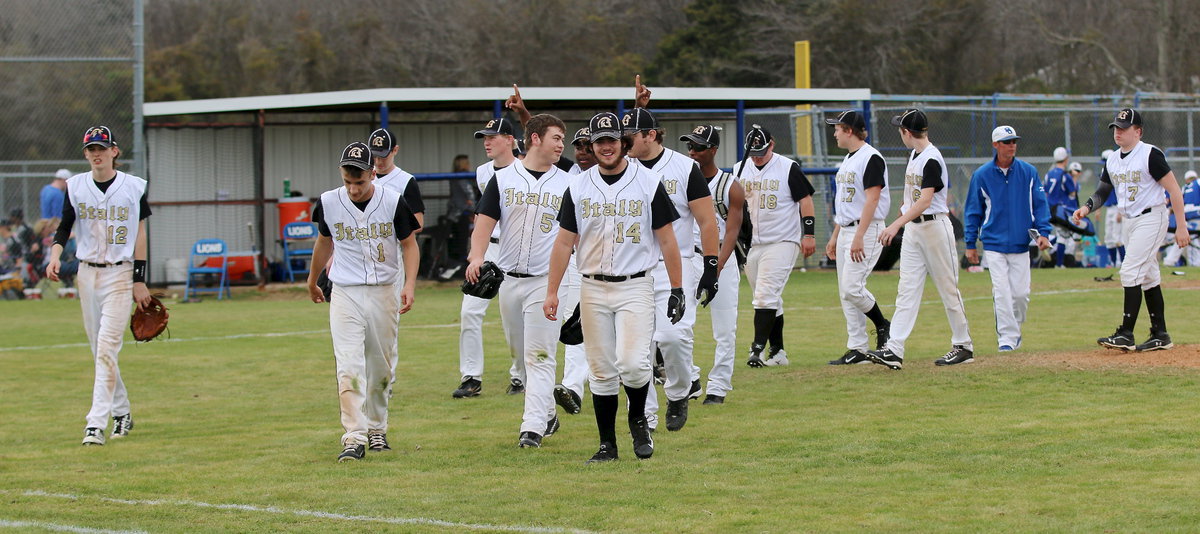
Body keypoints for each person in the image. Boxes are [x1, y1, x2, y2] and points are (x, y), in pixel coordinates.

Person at [542, 111, 683, 463]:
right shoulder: (578, 185)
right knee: (601, 370)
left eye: (612, 140)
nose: (606, 147)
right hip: (592, 286)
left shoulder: (648, 182)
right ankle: (607, 444)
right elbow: (563, 243)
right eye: (599, 141)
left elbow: (667, 241)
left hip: (635, 285)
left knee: (634, 364)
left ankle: (638, 418)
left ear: (624, 142)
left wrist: (678, 288)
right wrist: (552, 291)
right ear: (591, 145)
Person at [307, 141, 420, 461]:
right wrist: (312, 279)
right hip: (345, 291)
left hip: (384, 289)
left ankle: (377, 428)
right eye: (347, 181)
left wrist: (409, 284)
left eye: (360, 181)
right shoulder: (329, 202)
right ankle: (353, 435)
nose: (354, 189)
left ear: (373, 174)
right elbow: (324, 242)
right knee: (349, 364)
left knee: (381, 366)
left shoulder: (393, 201)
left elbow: (409, 245)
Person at [466, 113, 571, 448]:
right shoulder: (504, 178)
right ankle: (547, 410)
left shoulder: (568, 182)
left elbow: (574, 236)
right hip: (509, 279)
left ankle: (532, 428)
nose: (561, 145)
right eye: (556, 137)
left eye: (563, 139)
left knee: (540, 355)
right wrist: (477, 256)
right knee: (520, 356)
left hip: (545, 279)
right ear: (535, 138)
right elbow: (485, 220)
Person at [46, 126, 153, 446]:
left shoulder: (133, 186)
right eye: (91, 149)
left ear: (114, 152)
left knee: (107, 347)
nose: (96, 153)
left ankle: (95, 423)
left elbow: (141, 234)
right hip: (87, 274)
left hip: (120, 274)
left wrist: (140, 279)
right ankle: (122, 412)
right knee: (100, 351)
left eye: (101, 148)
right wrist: (54, 256)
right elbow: (65, 227)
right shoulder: (76, 186)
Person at [621, 95, 720, 432]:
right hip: (633, 268)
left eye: (630, 135)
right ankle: (645, 415)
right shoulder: (622, 167)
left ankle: (678, 393)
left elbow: (707, 221)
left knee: (673, 336)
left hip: (676, 265)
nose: (623, 142)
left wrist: (710, 267)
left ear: (650, 135)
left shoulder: (684, 167)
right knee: (638, 348)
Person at [1073, 109, 1189, 352]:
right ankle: (1160, 334)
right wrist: (1086, 207)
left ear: (1138, 131)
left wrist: (1181, 226)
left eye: (1124, 128)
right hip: (1129, 221)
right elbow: (1103, 191)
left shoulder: (1150, 155)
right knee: (1148, 276)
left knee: (1130, 271)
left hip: (1151, 217)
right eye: (1116, 127)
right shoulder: (1113, 159)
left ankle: (1126, 333)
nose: (1118, 132)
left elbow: (1175, 191)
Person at [866, 110, 973, 369]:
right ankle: (894, 349)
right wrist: (903, 219)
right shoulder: (914, 155)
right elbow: (911, 198)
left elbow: (926, 200)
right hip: (914, 230)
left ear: (906, 132)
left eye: (899, 129)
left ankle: (964, 345)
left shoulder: (931, 159)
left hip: (935, 227)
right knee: (907, 289)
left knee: (948, 289)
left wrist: (895, 224)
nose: (899, 134)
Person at [962, 126, 1052, 352]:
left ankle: (1015, 329)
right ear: (995, 145)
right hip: (993, 244)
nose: (1011, 145)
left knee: (1021, 295)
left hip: (1021, 244)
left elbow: (1040, 205)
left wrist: (1043, 233)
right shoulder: (981, 175)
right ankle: (1007, 338)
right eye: (1006, 142)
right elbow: (973, 211)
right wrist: (971, 244)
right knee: (1001, 292)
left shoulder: (1029, 172)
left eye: (1014, 141)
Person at [452, 117, 525, 398]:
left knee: (514, 320)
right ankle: (471, 377)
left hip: (514, 250)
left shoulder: (524, 170)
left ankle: (520, 375)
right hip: (488, 250)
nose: (487, 141)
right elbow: (482, 216)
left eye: (493, 136)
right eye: (484, 137)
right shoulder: (483, 172)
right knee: (469, 311)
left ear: (510, 140)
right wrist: (476, 254)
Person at [737, 125, 816, 368]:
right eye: (753, 151)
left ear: (772, 145)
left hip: (782, 240)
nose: (757, 156)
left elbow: (805, 199)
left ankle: (757, 349)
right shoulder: (741, 168)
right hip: (752, 244)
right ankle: (778, 352)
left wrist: (809, 234)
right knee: (769, 299)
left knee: (765, 297)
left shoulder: (787, 166)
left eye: (762, 150)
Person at [679, 124, 744, 404]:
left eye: (699, 147)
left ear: (713, 150)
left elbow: (732, 230)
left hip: (720, 259)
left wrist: (715, 266)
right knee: (678, 324)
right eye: (690, 146)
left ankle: (718, 386)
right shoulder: (680, 179)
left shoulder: (730, 185)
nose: (692, 151)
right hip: (687, 257)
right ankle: (690, 377)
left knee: (725, 327)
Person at [823, 110, 892, 366]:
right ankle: (858, 348)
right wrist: (834, 237)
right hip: (847, 229)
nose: (835, 133)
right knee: (845, 292)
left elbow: (872, 199)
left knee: (852, 288)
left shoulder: (871, 157)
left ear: (849, 130)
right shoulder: (848, 159)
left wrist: (859, 236)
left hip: (867, 228)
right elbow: (846, 206)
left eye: (838, 128)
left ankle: (882, 324)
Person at [1045, 147, 1077, 268]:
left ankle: (1047, 247)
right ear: (1066, 159)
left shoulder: (1049, 174)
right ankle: (1059, 264)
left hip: (1050, 208)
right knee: (1063, 236)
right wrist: (1073, 178)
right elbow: (1072, 193)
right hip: (1061, 209)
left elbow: (1046, 191)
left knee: (1060, 234)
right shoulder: (1065, 175)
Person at [1161, 170, 1200, 266]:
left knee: (1190, 238)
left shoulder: (1184, 188)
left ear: (1187, 179)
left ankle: (1170, 260)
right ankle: (1171, 261)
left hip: (1188, 216)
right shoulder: (1198, 182)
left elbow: (1178, 203)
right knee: (1190, 238)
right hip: (1196, 215)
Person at [444, 155, 476, 272]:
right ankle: (459, 268)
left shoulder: (456, 177)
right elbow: (469, 195)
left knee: (461, 242)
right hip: (461, 215)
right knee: (460, 242)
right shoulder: (461, 177)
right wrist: (473, 210)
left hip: (457, 214)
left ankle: (459, 266)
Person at [1099, 150, 1125, 267]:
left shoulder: (1117, 171)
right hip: (1109, 208)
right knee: (1108, 238)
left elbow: (1122, 192)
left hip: (1117, 208)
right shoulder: (1104, 171)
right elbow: (1101, 192)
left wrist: (1120, 211)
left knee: (1117, 237)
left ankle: (1124, 263)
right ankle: (1114, 263)